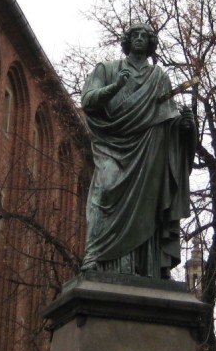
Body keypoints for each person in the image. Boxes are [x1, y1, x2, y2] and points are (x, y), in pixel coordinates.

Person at [80, 23, 195, 278]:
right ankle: (94, 256)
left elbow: (167, 118)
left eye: (145, 35)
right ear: (127, 41)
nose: (140, 38)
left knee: (149, 207)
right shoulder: (107, 70)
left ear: (151, 43)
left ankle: (146, 268)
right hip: (112, 144)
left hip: (150, 149)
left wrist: (184, 126)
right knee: (106, 189)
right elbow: (87, 100)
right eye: (135, 35)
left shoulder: (159, 77)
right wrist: (115, 87)